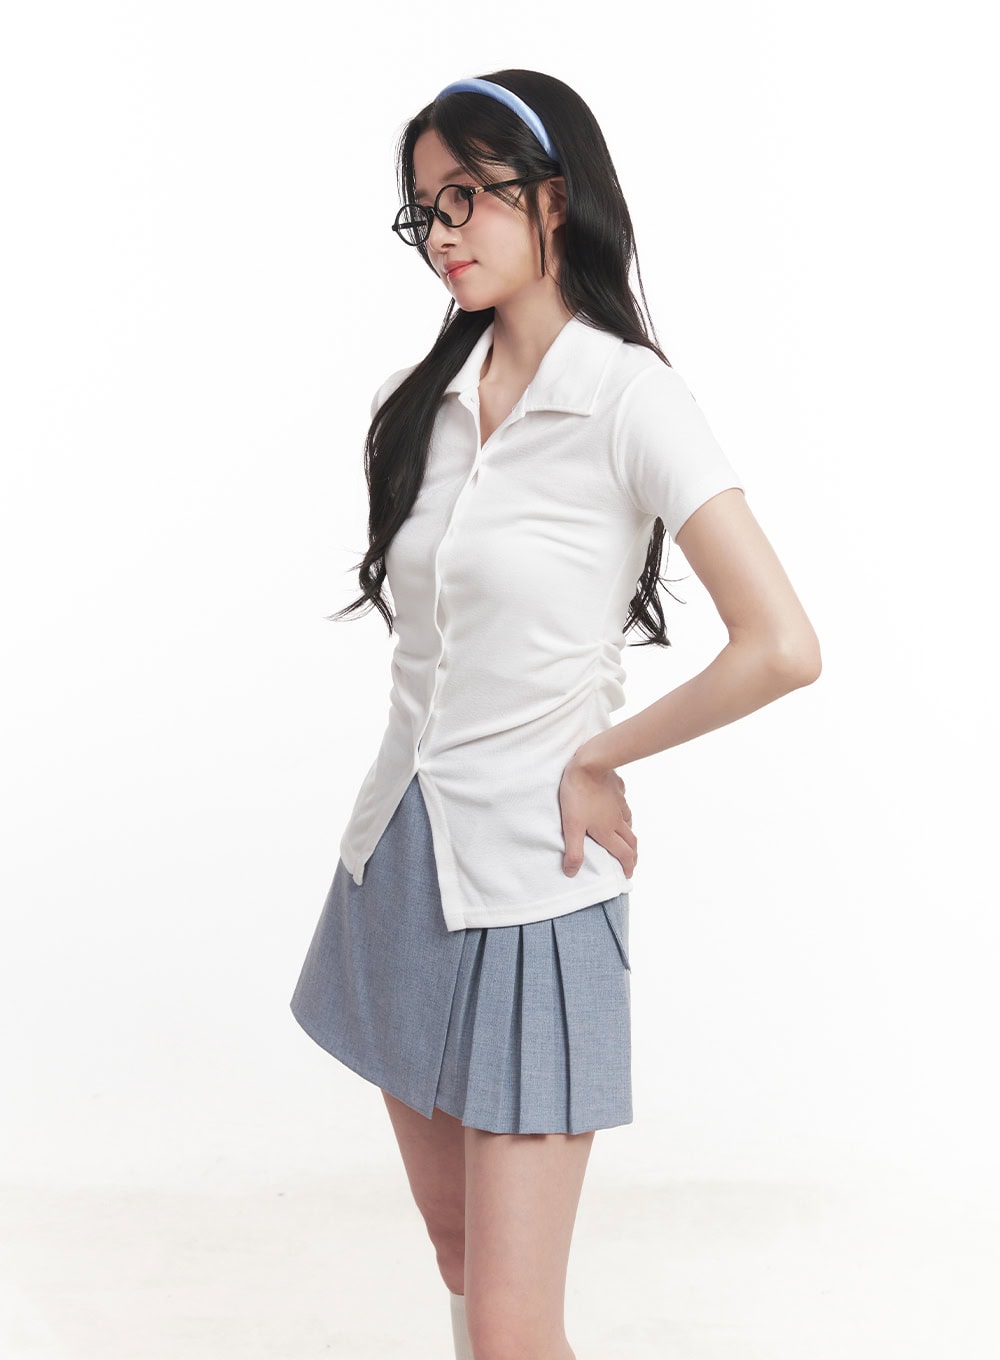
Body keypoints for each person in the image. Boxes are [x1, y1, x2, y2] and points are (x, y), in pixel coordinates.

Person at [290, 69, 821, 1360]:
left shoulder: (634, 399)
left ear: (554, 199)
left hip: (537, 883)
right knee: (459, 1260)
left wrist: (600, 757)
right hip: (397, 866)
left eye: (470, 196)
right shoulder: (421, 409)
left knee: (516, 1326)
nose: (445, 231)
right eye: (426, 208)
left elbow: (782, 645)